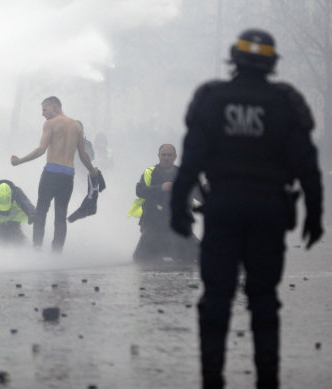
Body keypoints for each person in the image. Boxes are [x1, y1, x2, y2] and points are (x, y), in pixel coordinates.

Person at [170, 29, 323, 389]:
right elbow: (307, 166)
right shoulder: (286, 102)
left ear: (233, 59)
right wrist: (315, 214)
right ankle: (267, 379)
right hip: (269, 208)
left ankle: (212, 379)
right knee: (264, 297)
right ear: (271, 63)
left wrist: (179, 207)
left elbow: (190, 161)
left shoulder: (211, 98)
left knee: (217, 296)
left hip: (222, 206)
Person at [11, 96, 97, 253]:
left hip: (51, 173)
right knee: (60, 215)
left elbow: (41, 150)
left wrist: (20, 161)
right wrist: (92, 171)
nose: (43, 114)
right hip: (68, 175)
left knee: (41, 211)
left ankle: (37, 249)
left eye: (45, 109)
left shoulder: (50, 124)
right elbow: (83, 154)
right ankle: (56, 254)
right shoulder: (77, 126)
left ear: (54, 106)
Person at [129, 144, 199, 263]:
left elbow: (196, 192)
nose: (166, 157)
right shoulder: (149, 173)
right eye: (163, 155)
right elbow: (140, 191)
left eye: (169, 155)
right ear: (159, 156)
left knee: (199, 253)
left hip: (177, 222)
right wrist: (160, 188)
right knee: (140, 257)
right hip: (153, 222)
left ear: (175, 157)